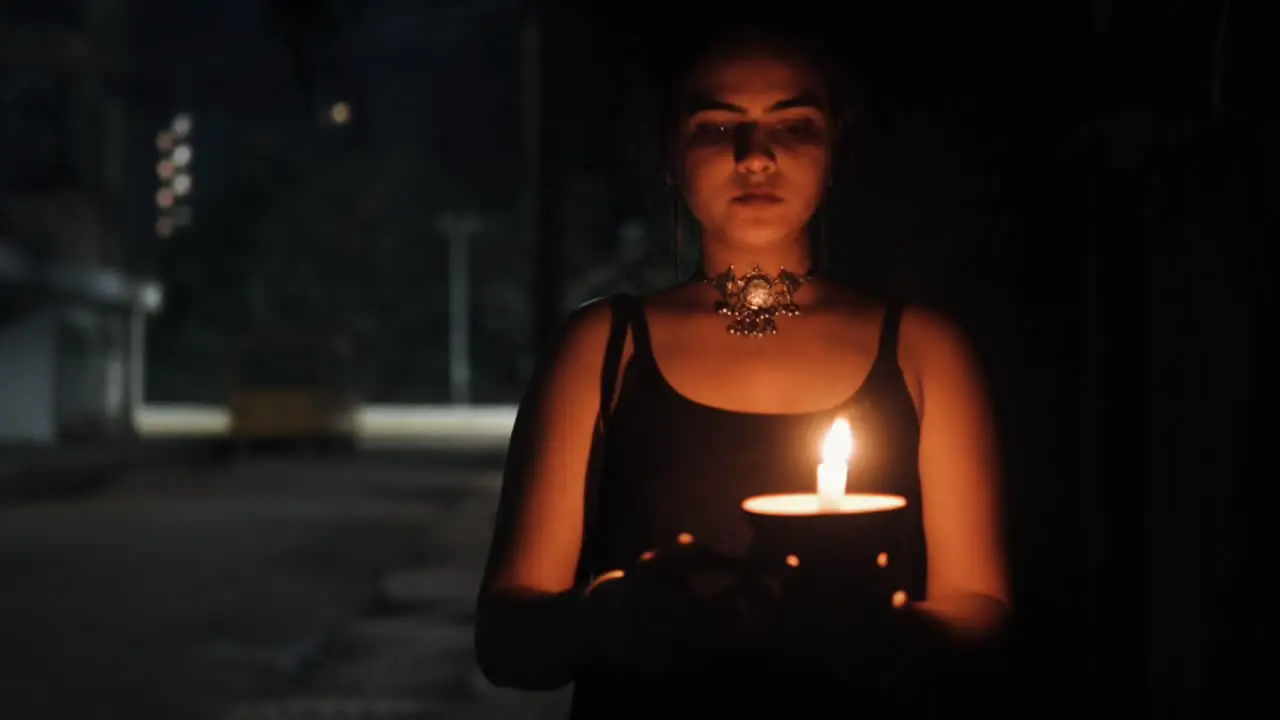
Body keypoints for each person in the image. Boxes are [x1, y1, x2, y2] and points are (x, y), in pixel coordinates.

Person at [475, 20, 1010, 717]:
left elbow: (983, 606)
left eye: (793, 125)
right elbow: (508, 637)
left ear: (837, 146)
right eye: (716, 126)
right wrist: (612, 619)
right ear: (669, 149)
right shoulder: (603, 348)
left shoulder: (922, 349)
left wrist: (885, 633)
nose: (755, 157)